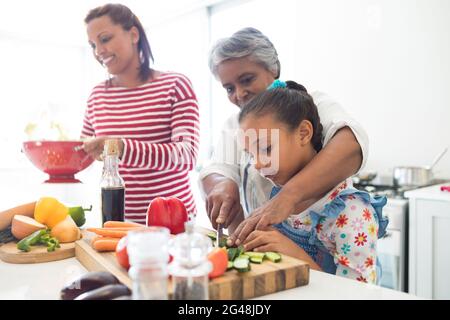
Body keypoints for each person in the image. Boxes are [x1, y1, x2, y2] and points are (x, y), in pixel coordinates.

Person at [199, 27, 369, 245]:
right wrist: (222, 184)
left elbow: (351, 146)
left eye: (247, 79)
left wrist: (287, 197)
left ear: (274, 69)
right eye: (229, 88)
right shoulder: (235, 124)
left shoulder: (310, 104)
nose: (239, 94)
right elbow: (217, 168)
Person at [238, 81, 388, 283]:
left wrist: (293, 254)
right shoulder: (276, 196)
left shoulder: (352, 213)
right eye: (250, 154)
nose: (257, 164)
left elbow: (357, 294)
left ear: (303, 133)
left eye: (265, 149)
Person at [81, 4, 200, 223]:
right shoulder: (96, 95)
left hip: (173, 224)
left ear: (133, 34)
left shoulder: (175, 85)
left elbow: (187, 155)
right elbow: (85, 151)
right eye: (92, 45)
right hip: (117, 224)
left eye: (105, 39)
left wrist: (122, 147)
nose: (98, 52)